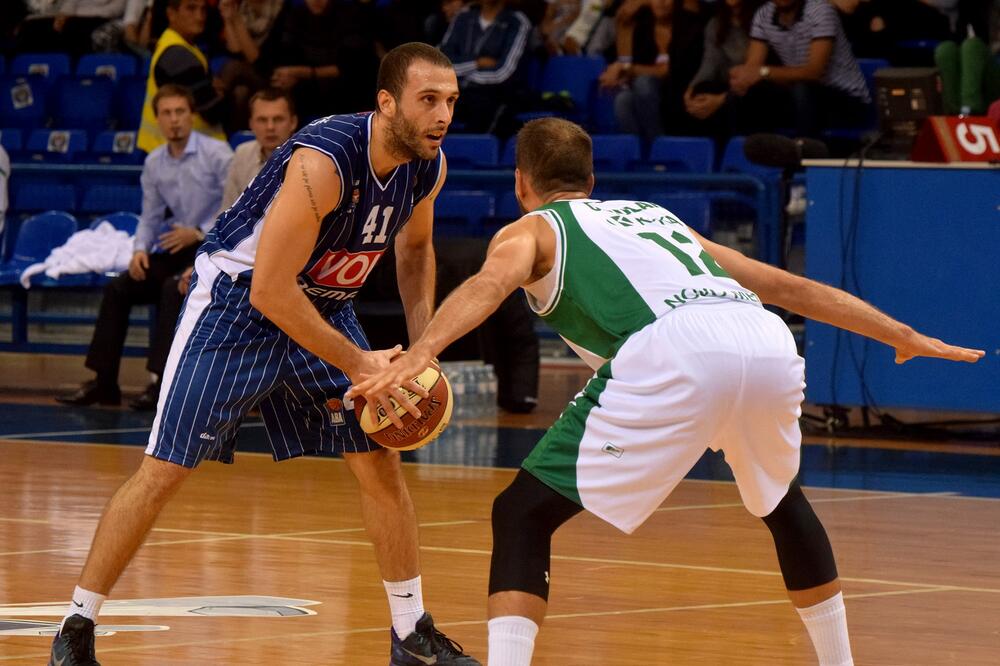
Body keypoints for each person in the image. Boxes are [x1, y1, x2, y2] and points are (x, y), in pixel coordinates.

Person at [349, 117, 986, 666]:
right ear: (591, 179)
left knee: (522, 513)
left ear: (520, 184)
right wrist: (900, 332)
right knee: (782, 502)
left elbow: (489, 286)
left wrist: (421, 353)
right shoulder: (659, 219)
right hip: (764, 339)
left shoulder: (531, 229)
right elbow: (784, 286)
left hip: (676, 349)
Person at [48, 43, 480, 666]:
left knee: (379, 460)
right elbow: (270, 291)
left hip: (326, 307)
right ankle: (77, 625)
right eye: (429, 100)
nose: (443, 116)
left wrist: (420, 350)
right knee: (164, 470)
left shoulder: (426, 168)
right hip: (237, 306)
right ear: (387, 103)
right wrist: (360, 364)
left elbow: (413, 253)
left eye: (451, 102)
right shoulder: (325, 161)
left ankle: (412, 634)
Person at [57, 84, 232, 413]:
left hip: (213, 248)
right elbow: (150, 216)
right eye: (167, 113)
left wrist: (198, 232)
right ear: (158, 120)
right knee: (119, 287)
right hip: (175, 245)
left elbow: (233, 209)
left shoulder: (218, 154)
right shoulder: (154, 162)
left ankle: (160, 382)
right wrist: (139, 250)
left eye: (180, 112)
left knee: (171, 288)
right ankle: (104, 382)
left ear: (191, 115)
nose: (174, 120)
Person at [729, 0, 871, 137]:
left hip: (846, 100)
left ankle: (804, 149)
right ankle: (749, 149)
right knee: (751, 92)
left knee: (802, 89)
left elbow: (814, 73)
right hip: (800, 97)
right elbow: (752, 68)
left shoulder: (820, 11)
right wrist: (743, 79)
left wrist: (762, 72)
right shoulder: (763, 14)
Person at [138, 0, 226, 153]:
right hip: (181, 154)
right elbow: (211, 111)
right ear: (171, 13)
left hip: (182, 151)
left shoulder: (178, 45)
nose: (200, 16)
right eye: (191, 8)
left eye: (203, 10)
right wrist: (221, 93)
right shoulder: (178, 55)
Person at [439, 0, 532, 133]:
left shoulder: (517, 22)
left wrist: (463, 76)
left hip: (496, 93)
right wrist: (477, 63)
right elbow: (442, 63)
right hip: (458, 91)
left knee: (485, 108)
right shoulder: (462, 18)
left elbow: (503, 72)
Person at [220, 87, 297, 210]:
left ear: (293, 122)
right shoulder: (242, 153)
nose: (270, 127)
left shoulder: (310, 158)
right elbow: (228, 210)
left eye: (278, 119)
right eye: (262, 120)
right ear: (251, 124)